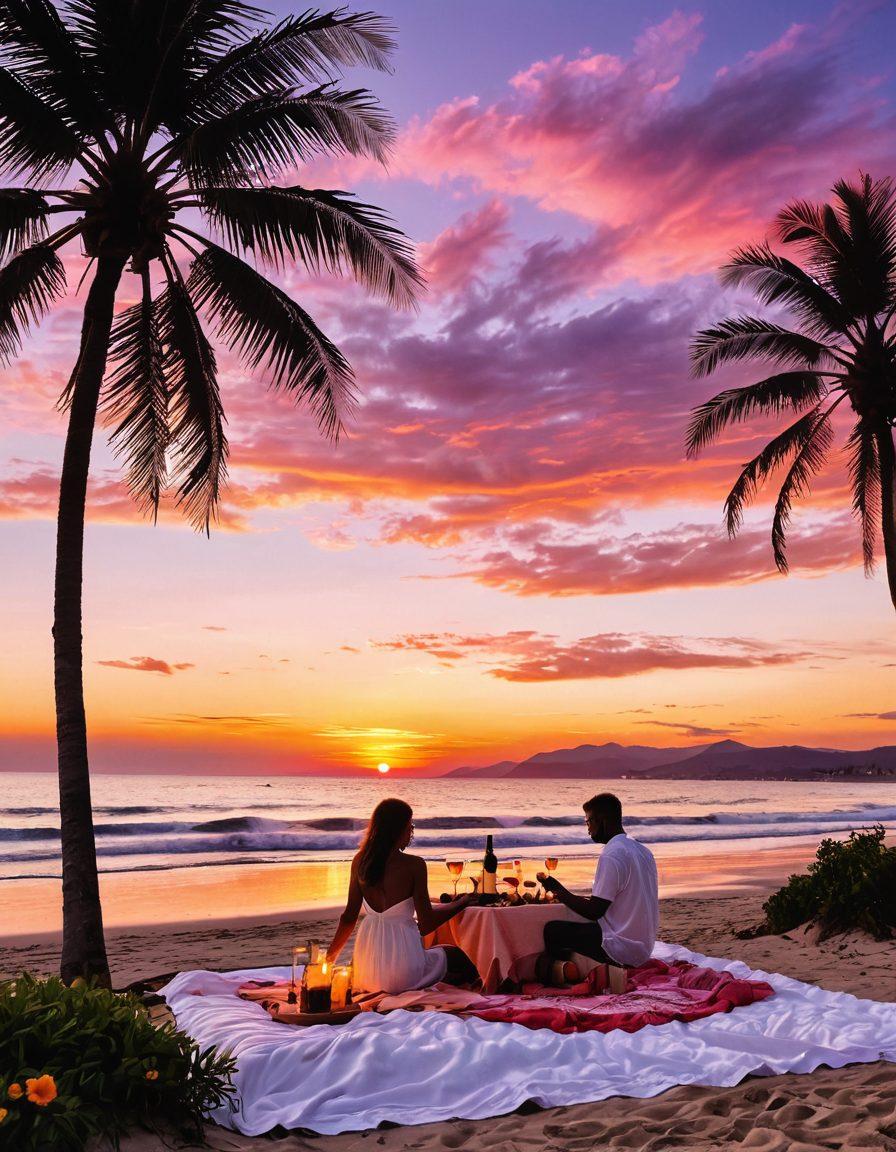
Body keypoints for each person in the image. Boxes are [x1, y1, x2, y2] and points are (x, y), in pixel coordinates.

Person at [326, 798, 478, 993]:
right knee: (455, 955)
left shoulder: (360, 861)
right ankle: (482, 992)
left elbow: (348, 917)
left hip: (367, 972)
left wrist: (329, 960)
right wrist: (461, 903)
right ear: (397, 830)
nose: (411, 833)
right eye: (409, 827)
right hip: (405, 971)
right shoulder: (414, 865)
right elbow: (426, 924)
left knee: (441, 960)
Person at [537, 792, 658, 975]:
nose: (588, 829)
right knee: (575, 925)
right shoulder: (643, 851)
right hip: (643, 947)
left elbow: (594, 911)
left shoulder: (612, 854)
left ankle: (562, 976)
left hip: (621, 946)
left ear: (601, 821)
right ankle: (576, 969)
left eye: (588, 822)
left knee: (552, 930)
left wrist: (559, 891)